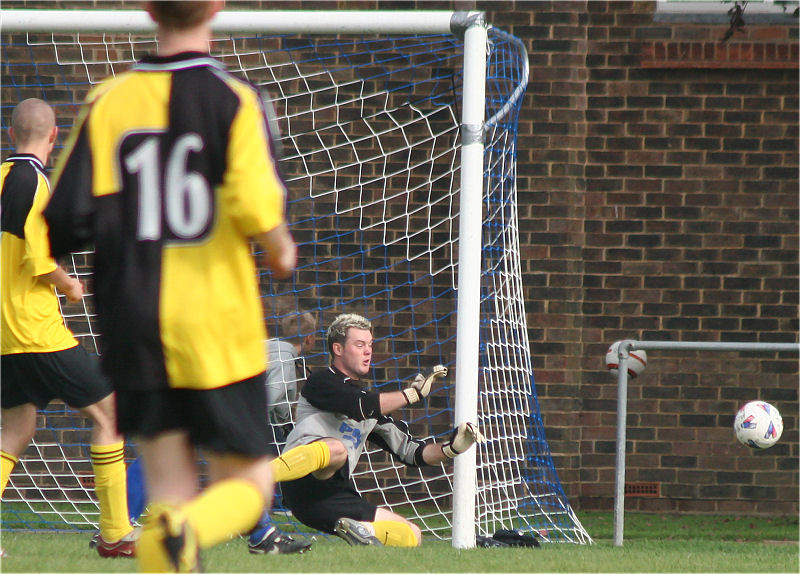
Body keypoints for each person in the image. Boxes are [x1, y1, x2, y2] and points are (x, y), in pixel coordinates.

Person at [43, 1, 297, 572]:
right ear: (217, 6)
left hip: (132, 321)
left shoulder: (108, 102)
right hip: (215, 321)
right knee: (252, 484)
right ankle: (187, 528)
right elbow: (261, 215)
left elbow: (61, 223)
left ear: (148, 8)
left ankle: (171, 529)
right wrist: (282, 249)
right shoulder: (234, 100)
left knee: (168, 487)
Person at [0, 98, 137, 558]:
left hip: (2, 333)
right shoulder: (36, 184)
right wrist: (71, 285)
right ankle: (116, 533)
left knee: (15, 428)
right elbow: (39, 263)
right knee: (110, 413)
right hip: (35, 331)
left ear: (11, 133)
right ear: (54, 136)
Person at [269, 313, 485, 547]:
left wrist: (452, 448)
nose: (368, 351)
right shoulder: (322, 381)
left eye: (370, 345)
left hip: (332, 499)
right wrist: (412, 394)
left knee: (411, 534)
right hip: (300, 478)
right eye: (359, 344)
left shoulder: (371, 405)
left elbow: (411, 452)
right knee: (337, 449)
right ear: (338, 349)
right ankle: (265, 474)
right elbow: (360, 406)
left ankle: (359, 530)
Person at [247, 311, 317, 555]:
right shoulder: (284, 356)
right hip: (262, 421)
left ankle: (270, 505)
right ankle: (277, 503)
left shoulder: (268, 348)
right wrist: (287, 421)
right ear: (309, 338)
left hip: (247, 415)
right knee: (283, 454)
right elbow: (276, 396)